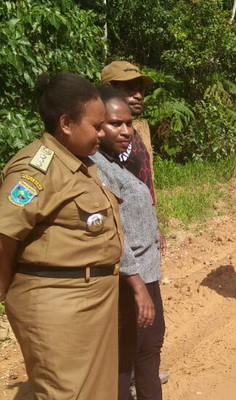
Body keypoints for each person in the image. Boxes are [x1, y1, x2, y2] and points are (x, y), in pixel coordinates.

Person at [0, 73, 122, 399]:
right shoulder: (36, 169)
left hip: (89, 302)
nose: (102, 133)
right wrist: (6, 287)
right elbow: (4, 233)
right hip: (57, 305)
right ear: (66, 123)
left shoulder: (79, 163)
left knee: (96, 392)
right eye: (96, 126)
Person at [92, 87, 165, 400]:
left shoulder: (115, 161)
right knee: (127, 357)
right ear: (96, 125)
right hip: (129, 277)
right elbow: (112, 231)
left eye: (128, 123)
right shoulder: (96, 168)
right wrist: (137, 286)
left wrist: (154, 228)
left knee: (147, 348)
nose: (125, 130)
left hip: (145, 272)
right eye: (114, 123)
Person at [101, 61, 156, 203]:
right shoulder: (102, 136)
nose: (138, 96)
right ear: (109, 88)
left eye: (141, 90)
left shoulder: (133, 132)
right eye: (130, 88)